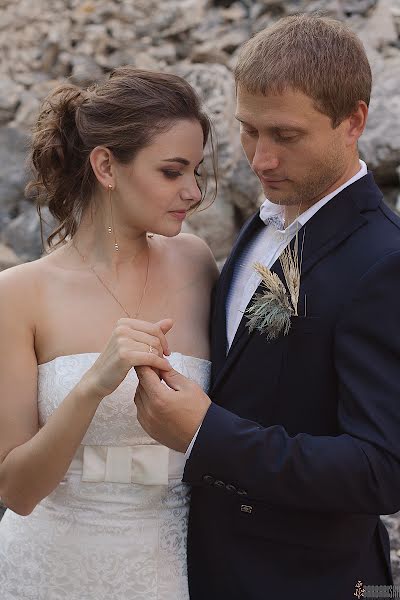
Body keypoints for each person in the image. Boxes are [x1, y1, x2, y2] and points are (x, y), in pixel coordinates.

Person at [134, 14, 400, 599]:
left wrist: (207, 433)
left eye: (285, 135)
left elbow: (383, 470)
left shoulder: (385, 261)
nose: (260, 159)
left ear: (353, 120)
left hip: (313, 580)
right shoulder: (268, 221)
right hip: (202, 566)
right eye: (248, 130)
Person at [0, 66, 218, 599]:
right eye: (172, 171)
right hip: (50, 572)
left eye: (196, 171)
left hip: (172, 567)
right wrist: (91, 387)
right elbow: (16, 490)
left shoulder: (197, 262)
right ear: (105, 166)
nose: (192, 192)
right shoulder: (18, 294)